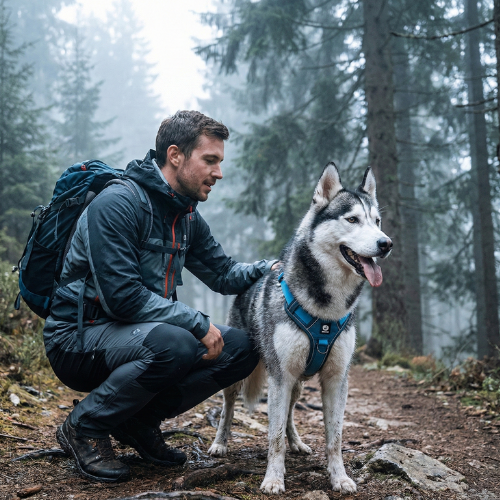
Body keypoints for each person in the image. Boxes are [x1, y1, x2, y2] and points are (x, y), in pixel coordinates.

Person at [43, 110, 278, 483]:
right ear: (175, 155)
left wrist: (272, 268)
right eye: (210, 160)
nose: (218, 173)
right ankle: (84, 426)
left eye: (220, 162)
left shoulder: (185, 216)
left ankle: (138, 422)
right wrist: (197, 323)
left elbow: (222, 273)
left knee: (241, 347)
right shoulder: (118, 204)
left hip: (137, 335)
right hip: (77, 339)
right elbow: (123, 298)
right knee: (177, 343)